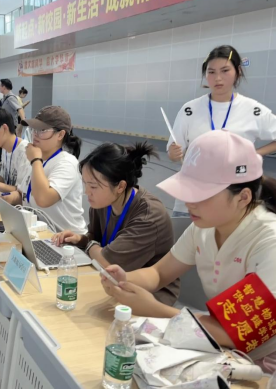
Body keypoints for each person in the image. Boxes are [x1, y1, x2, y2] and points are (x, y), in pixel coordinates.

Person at [101, 130, 276, 371]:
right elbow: (159, 273)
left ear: (243, 197)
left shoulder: (269, 241)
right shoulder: (203, 227)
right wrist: (123, 280)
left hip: (265, 362)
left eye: (201, 195)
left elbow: (236, 331)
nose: (189, 202)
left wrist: (154, 309)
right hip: (224, 350)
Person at [51, 142, 179, 305]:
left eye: (93, 186)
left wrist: (89, 245)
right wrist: (80, 240)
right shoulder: (103, 202)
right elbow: (96, 241)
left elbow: (109, 262)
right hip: (111, 282)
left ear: (120, 186)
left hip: (148, 298)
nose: (86, 192)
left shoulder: (148, 215)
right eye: (85, 184)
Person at [168, 45, 276, 216]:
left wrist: (255, 153)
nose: (218, 78)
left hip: (234, 199)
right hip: (191, 199)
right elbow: (173, 153)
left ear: (237, 72)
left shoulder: (252, 109)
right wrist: (174, 154)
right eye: (211, 72)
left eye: (225, 70)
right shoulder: (190, 109)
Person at [0, 106, 87, 234]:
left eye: (42, 130)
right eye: (34, 129)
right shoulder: (39, 158)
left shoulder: (67, 163)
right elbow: (23, 195)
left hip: (66, 239)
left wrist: (35, 160)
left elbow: (43, 199)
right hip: (40, 233)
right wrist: (6, 198)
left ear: (60, 134)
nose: (35, 134)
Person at [0, 79, 26, 170]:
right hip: (4, 124)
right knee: (1, 140)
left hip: (10, 125)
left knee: (11, 143)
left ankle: (15, 161)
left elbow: (19, 109)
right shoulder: (4, 97)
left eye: (0, 86)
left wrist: (23, 120)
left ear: (4, 87)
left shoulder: (11, 98)